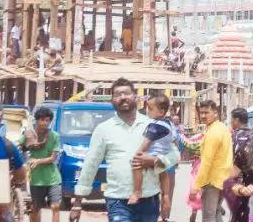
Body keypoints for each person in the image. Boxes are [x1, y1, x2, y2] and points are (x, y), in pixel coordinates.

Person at [71, 78, 180, 222]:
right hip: (117, 200)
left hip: (149, 200)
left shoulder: (153, 125)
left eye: (126, 93)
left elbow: (175, 155)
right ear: (112, 100)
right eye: (117, 95)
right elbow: (90, 165)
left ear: (135, 96)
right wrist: (77, 204)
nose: (122, 97)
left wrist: (155, 161)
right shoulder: (104, 129)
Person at [129, 93, 176, 211]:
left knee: (137, 165)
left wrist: (138, 154)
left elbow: (147, 142)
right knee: (163, 173)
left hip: (153, 154)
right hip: (163, 155)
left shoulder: (155, 126)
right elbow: (174, 141)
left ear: (161, 112)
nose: (147, 110)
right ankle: (165, 195)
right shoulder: (169, 123)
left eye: (150, 108)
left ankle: (137, 191)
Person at [192, 100, 233, 222]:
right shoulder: (221, 128)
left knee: (209, 217)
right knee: (216, 213)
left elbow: (206, 162)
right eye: (201, 113)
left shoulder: (213, 133)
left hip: (212, 181)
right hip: (223, 179)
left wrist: (196, 186)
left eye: (206, 112)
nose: (203, 116)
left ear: (215, 113)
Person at [24, 106, 62, 222]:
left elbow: (53, 158)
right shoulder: (28, 134)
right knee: (35, 209)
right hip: (36, 179)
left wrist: (38, 161)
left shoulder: (54, 136)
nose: (44, 123)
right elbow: (18, 146)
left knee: (55, 207)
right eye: (42, 120)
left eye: (47, 120)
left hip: (53, 178)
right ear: (37, 120)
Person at [224, 107, 253, 219]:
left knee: (237, 213)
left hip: (237, 181)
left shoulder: (232, 136)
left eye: (232, 120)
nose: (231, 122)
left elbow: (228, 159)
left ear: (237, 120)